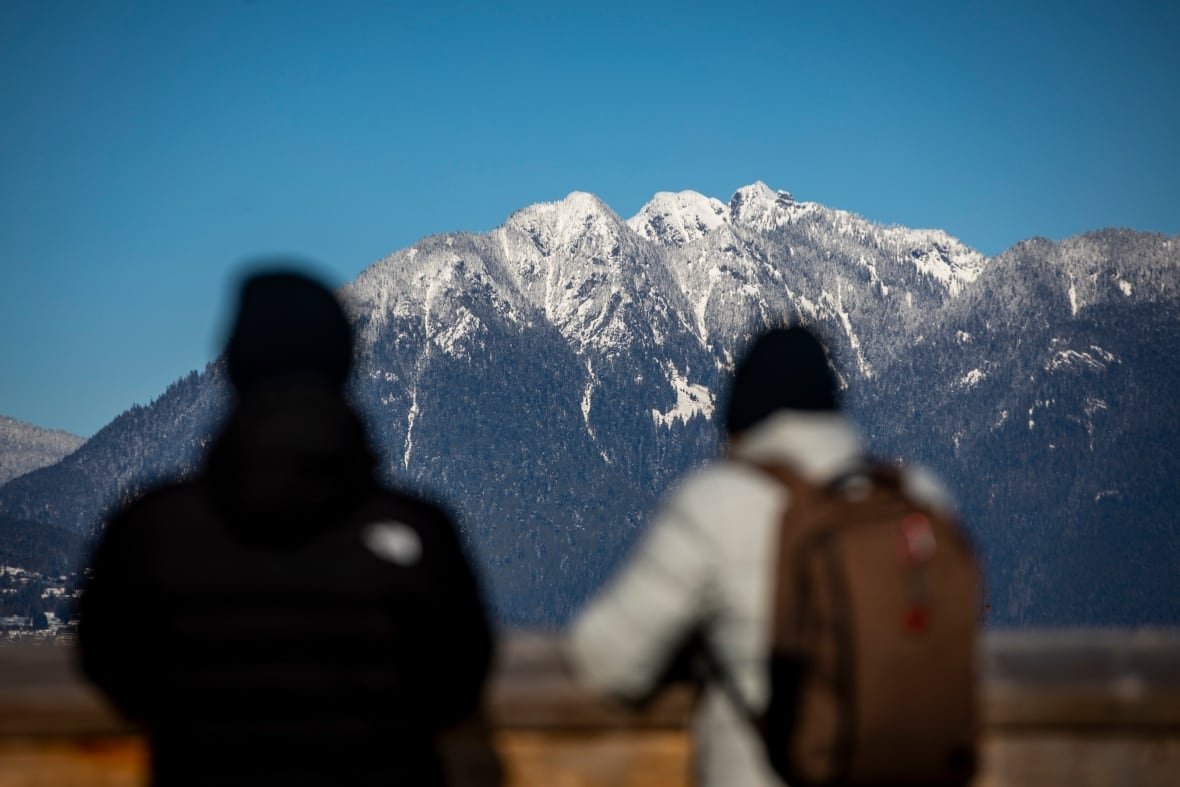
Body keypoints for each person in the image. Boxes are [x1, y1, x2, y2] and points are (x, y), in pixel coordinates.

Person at [79, 268, 494, 786]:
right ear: (344, 364)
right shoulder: (418, 533)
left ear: (237, 368)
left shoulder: (151, 532)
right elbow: (457, 684)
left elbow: (111, 669)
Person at [567, 326, 958, 787]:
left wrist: (701, 644)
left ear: (739, 422)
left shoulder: (718, 503)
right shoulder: (919, 499)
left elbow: (605, 659)